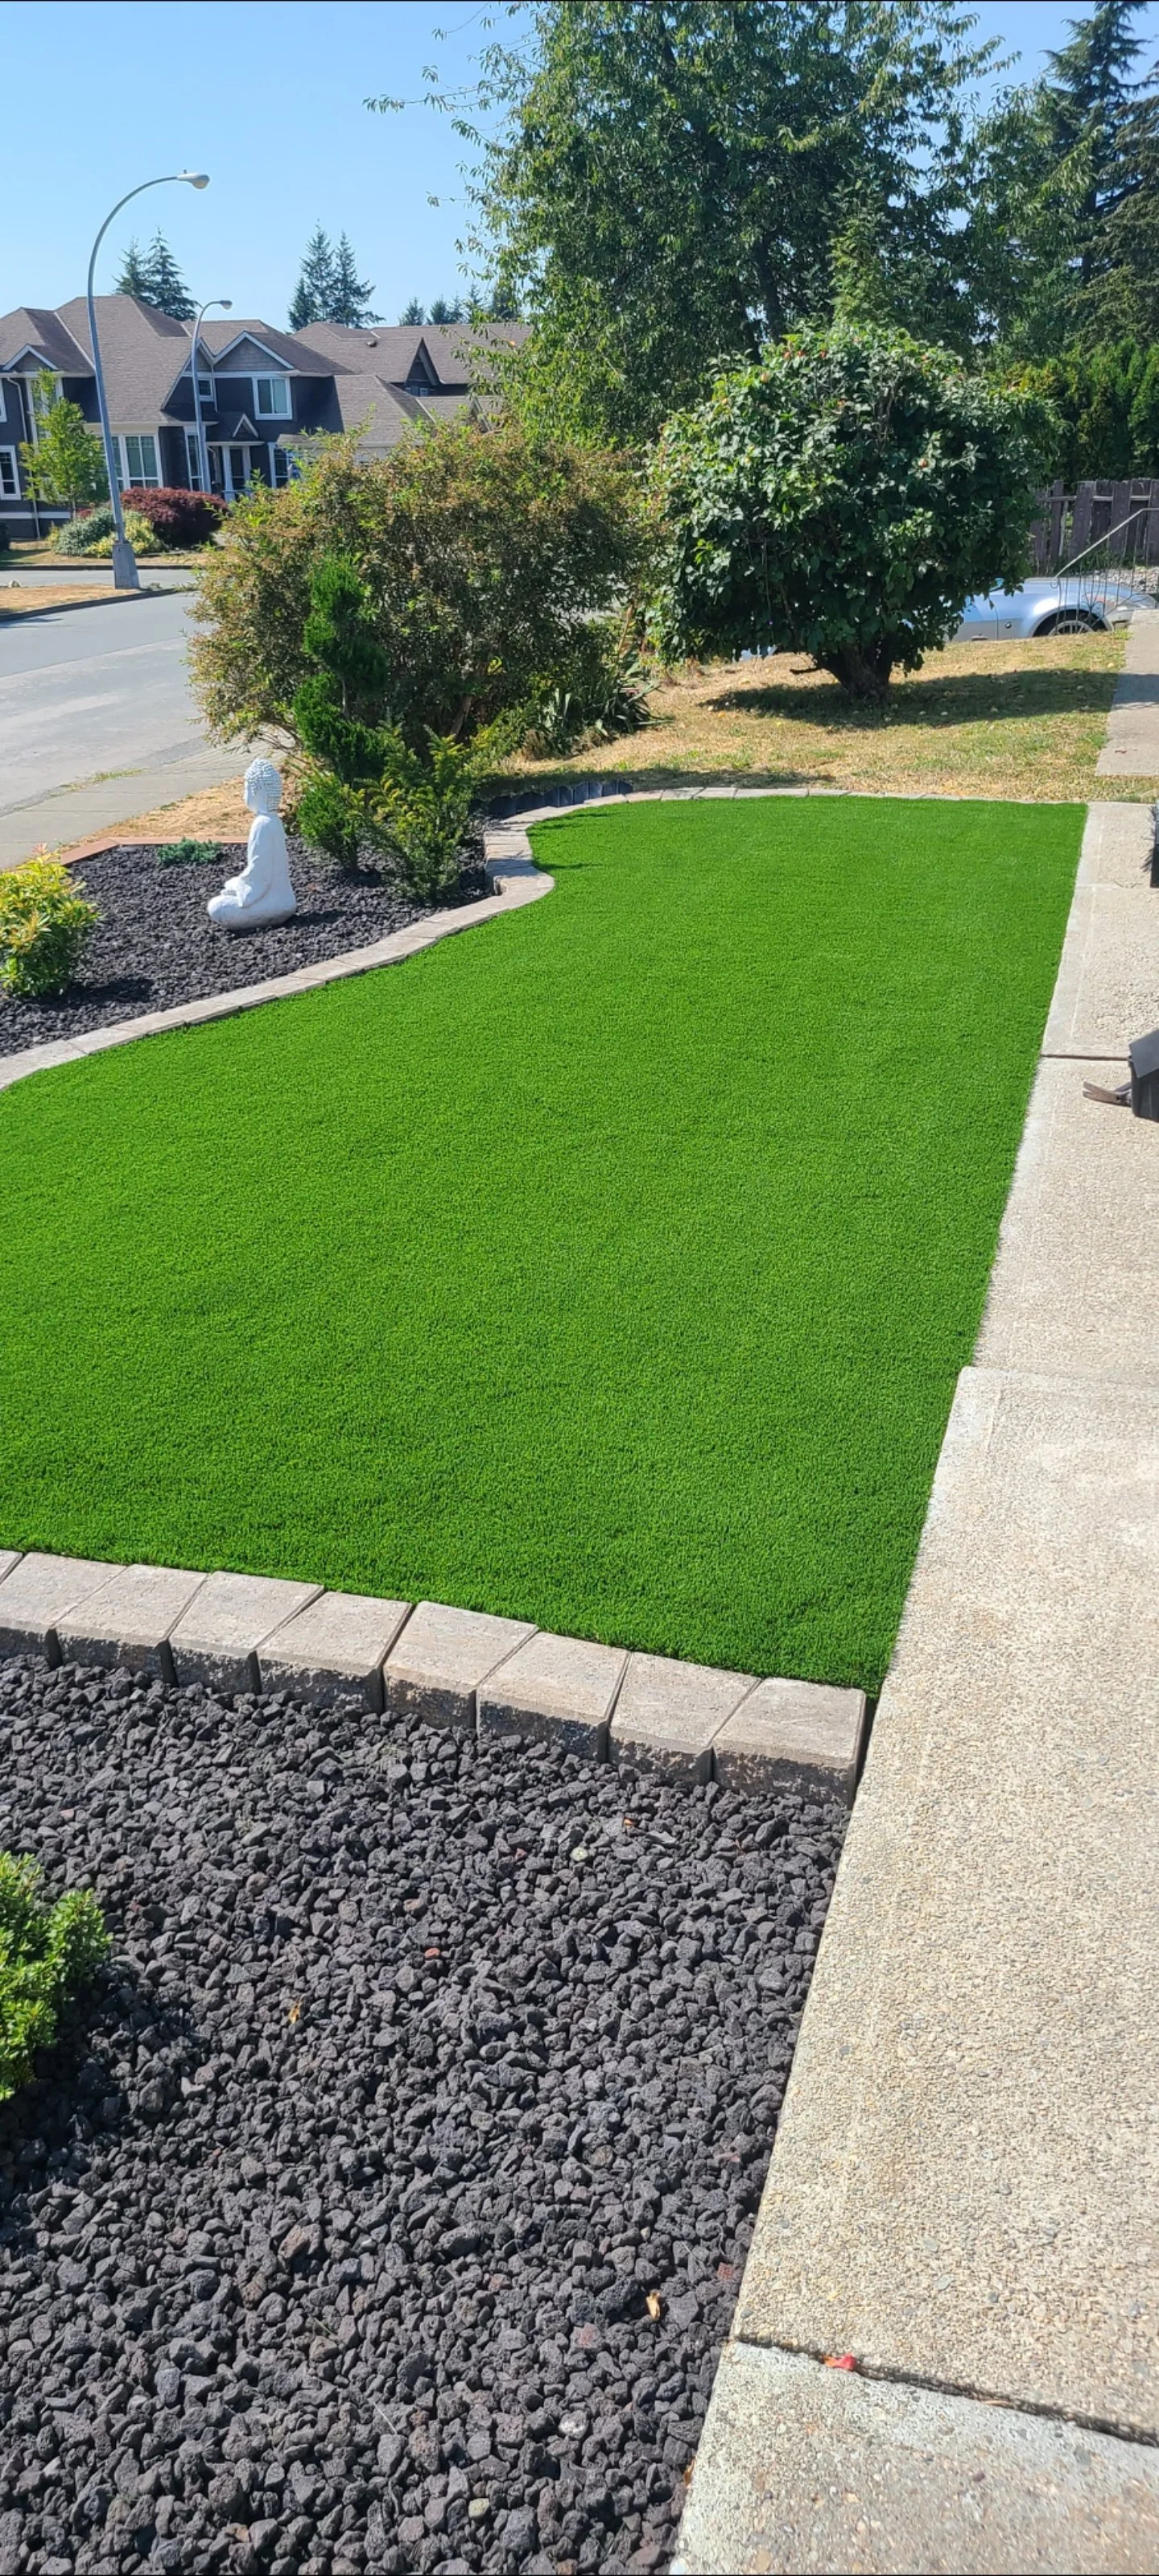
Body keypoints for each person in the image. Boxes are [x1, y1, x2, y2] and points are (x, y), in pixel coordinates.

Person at [207, 758, 297, 931]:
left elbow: (260, 872)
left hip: (272, 903)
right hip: (285, 898)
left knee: (218, 906)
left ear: (257, 792)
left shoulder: (262, 824)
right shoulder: (274, 821)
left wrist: (238, 885)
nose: (243, 795)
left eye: (246, 789)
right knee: (229, 890)